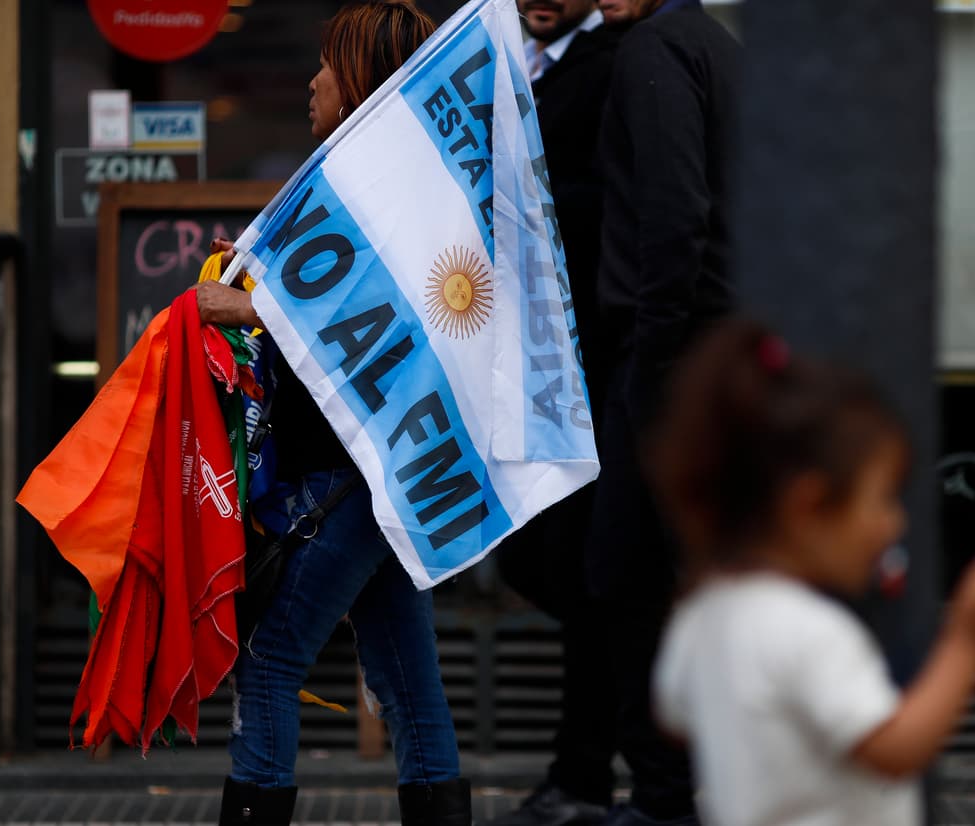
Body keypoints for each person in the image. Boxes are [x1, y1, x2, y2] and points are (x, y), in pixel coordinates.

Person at [195, 4, 470, 826]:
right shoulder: (398, 181)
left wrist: (249, 313)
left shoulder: (376, 184)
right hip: (387, 476)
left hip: (352, 474)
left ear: (358, 85)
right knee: (407, 684)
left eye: (326, 64)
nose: (311, 80)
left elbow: (384, 313)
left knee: (272, 657)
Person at [648, 318, 975, 826]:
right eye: (881, 500)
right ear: (808, 506)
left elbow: (675, 715)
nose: (895, 522)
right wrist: (967, 641)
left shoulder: (704, 613)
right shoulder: (808, 632)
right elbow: (895, 748)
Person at [587, 3, 741, 825]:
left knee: (627, 576)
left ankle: (662, 797)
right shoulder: (712, 45)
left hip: (674, 359)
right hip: (711, 353)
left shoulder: (655, 50)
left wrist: (653, 357)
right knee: (680, 576)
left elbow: (677, 215)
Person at [485, 2, 621, 825]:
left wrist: (515, 204)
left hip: (584, 368)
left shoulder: (611, 65)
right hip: (522, 370)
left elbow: (610, 198)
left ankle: (585, 773)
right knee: (542, 565)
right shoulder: (509, 59)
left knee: (582, 577)